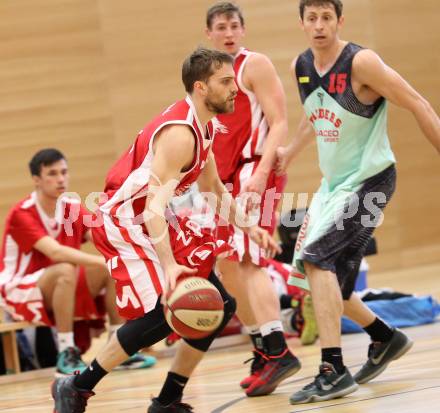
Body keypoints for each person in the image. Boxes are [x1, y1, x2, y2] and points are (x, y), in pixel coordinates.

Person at [52, 47, 280, 413]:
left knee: (218, 305)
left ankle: (168, 399)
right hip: (126, 221)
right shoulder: (180, 135)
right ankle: (76, 386)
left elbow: (213, 190)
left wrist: (249, 227)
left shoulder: (203, 126)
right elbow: (156, 207)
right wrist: (170, 265)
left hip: (150, 219)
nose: (235, 88)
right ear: (201, 87)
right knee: (164, 311)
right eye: (225, 82)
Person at [276, 0, 440, 404]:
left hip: (370, 181)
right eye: (311, 18)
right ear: (301, 23)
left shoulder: (361, 63)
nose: (319, 25)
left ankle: (332, 370)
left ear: (339, 21)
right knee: (328, 284)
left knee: (317, 260)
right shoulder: (302, 66)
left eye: (326, 17)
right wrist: (289, 152)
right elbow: (313, 114)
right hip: (334, 187)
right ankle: (384, 338)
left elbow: (417, 101)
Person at [204, 2, 301, 397]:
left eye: (234, 26)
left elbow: (279, 120)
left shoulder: (253, 64)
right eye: (221, 27)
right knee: (227, 267)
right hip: (224, 179)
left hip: (253, 170)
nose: (228, 33)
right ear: (208, 33)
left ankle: (278, 349)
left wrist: (261, 173)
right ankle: (263, 348)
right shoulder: (207, 75)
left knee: (248, 258)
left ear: (242, 30)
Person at [0, 148, 156, 376]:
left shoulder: (71, 207)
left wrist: (142, 247)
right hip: (18, 288)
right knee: (67, 268)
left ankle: (119, 347)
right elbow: (55, 253)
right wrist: (103, 261)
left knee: (112, 267)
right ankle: (66, 351)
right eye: (52, 173)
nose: (60, 179)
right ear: (36, 180)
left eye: (64, 172)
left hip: (61, 283)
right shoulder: (21, 214)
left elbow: (103, 237)